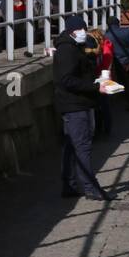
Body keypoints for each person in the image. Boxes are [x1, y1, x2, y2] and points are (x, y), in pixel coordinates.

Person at [53, 14, 113, 200]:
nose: (84, 33)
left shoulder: (72, 48)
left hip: (76, 103)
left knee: (71, 146)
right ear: (72, 32)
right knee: (82, 147)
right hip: (75, 105)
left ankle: (69, 185)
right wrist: (96, 87)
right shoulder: (67, 51)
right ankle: (90, 187)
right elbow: (67, 80)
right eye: (81, 30)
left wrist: (95, 81)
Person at [104, 14, 129, 111]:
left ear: (108, 24)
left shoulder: (107, 36)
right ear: (118, 23)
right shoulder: (127, 31)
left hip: (117, 62)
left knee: (124, 83)